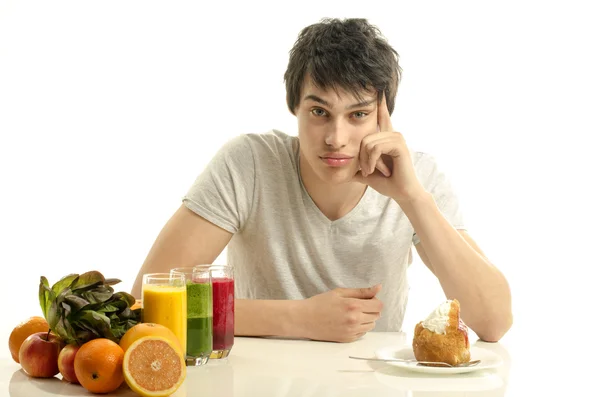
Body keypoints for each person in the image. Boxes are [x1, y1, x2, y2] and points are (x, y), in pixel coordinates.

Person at [132, 18, 512, 343]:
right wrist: (300, 319)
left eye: (358, 115)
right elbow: (145, 303)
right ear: (294, 107)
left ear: (383, 116)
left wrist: (411, 197)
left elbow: (493, 322)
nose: (336, 137)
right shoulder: (248, 163)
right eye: (319, 111)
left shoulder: (418, 177)